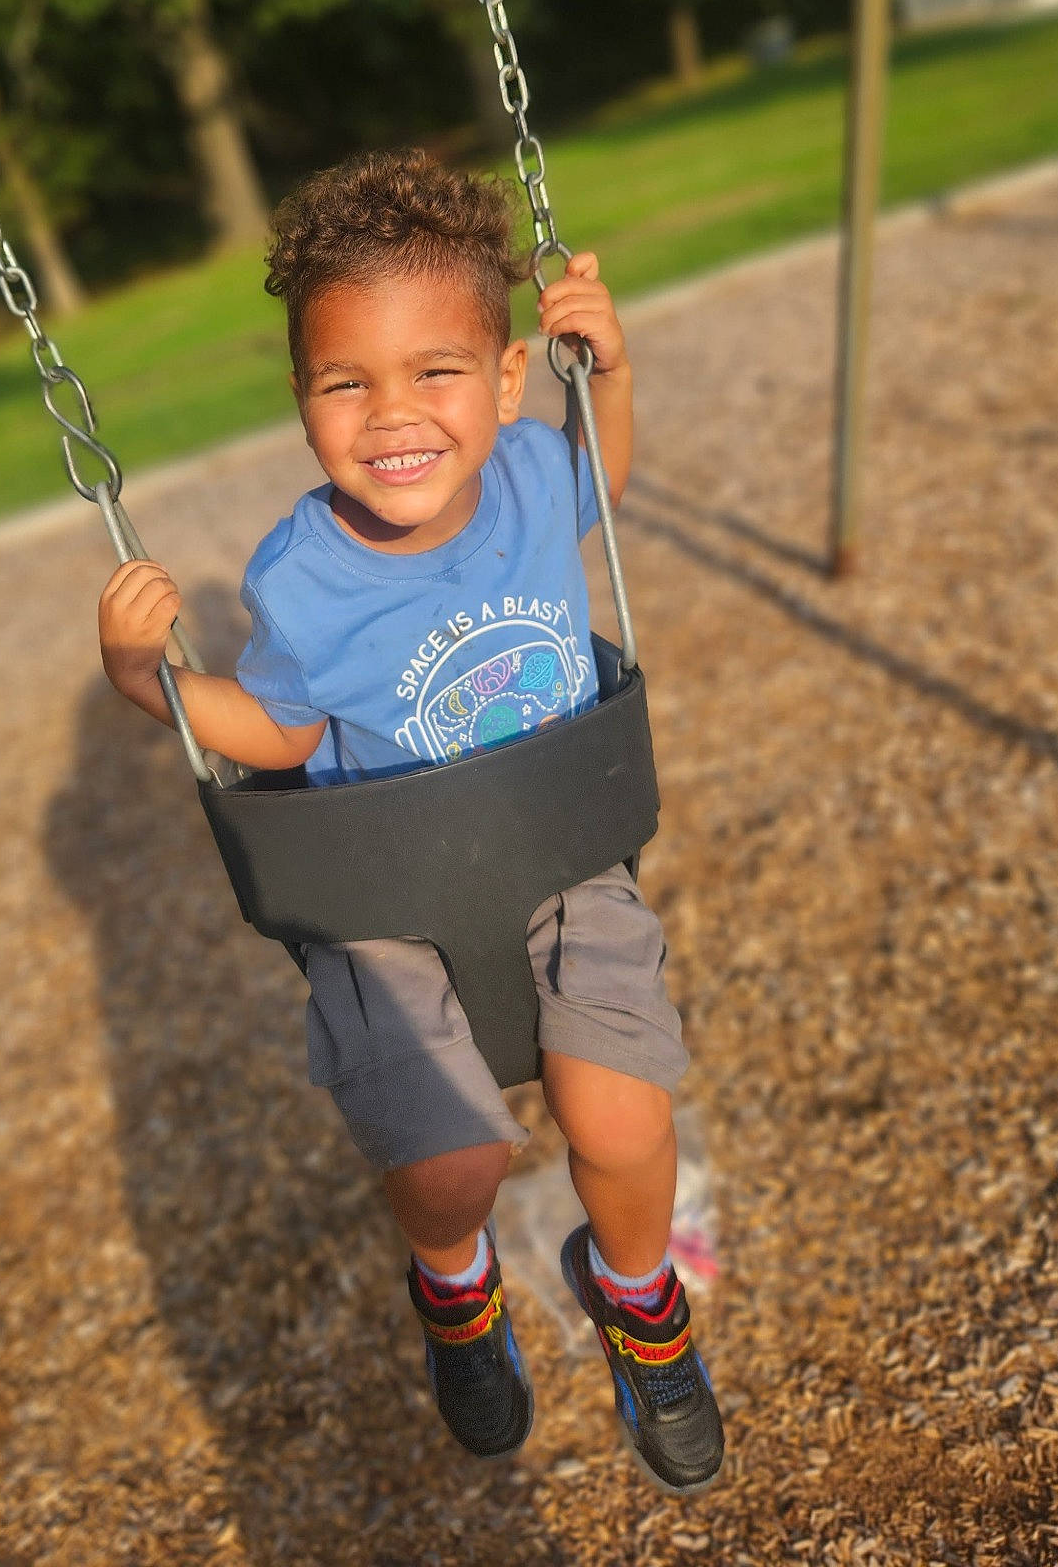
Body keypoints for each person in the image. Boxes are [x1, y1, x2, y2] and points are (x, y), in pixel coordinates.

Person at [98, 151, 724, 1497]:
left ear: (504, 382)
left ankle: (640, 1305)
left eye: (437, 372)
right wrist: (151, 685)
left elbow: (599, 484)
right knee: (448, 1164)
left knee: (619, 1125)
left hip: (562, 858)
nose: (394, 416)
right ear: (303, 402)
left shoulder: (530, 481)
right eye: (346, 383)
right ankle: (456, 1292)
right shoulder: (303, 575)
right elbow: (284, 735)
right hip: (387, 900)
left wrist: (604, 369)